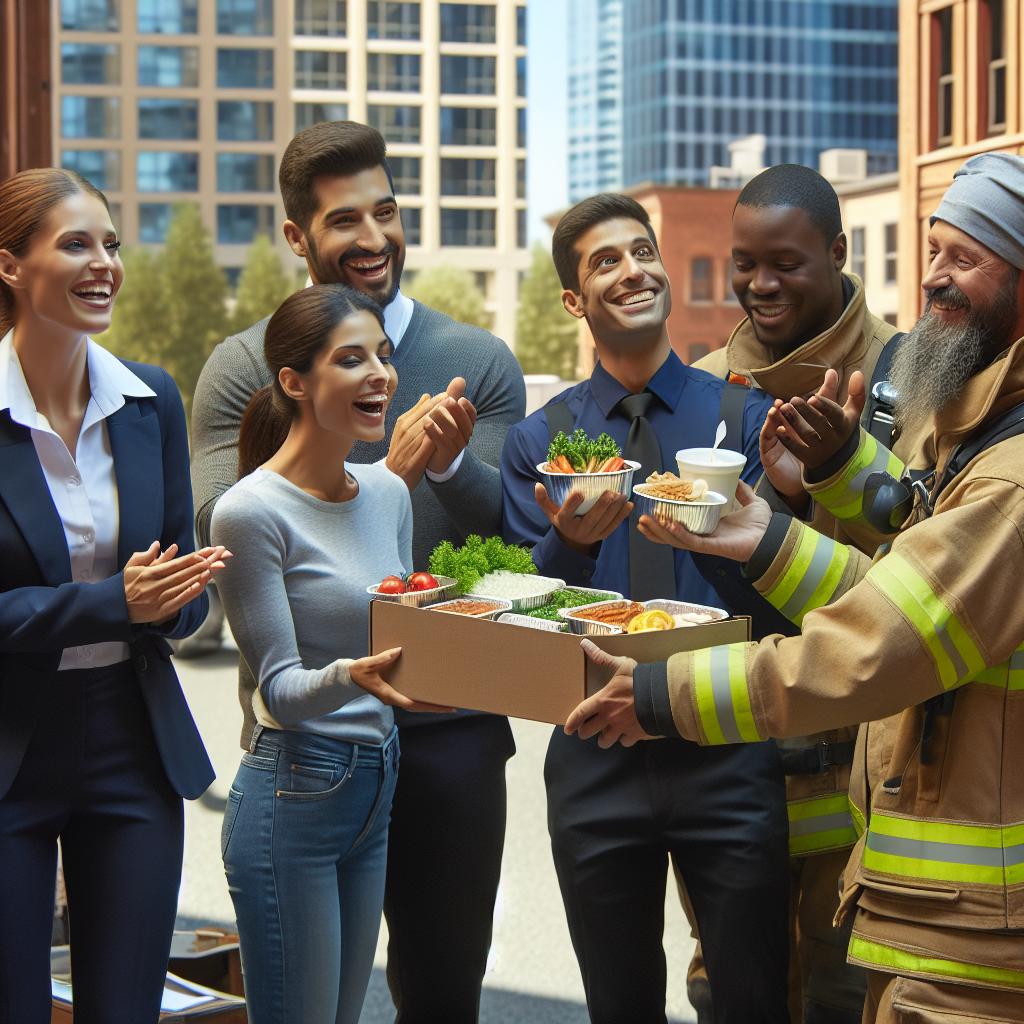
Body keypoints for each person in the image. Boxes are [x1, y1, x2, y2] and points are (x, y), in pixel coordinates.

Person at [567, 152, 1024, 1023]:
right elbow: (901, 576)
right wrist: (771, 529)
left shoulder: (956, 412)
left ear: (839, 254)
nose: (935, 276)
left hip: (959, 912)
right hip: (827, 828)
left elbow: (888, 635)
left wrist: (664, 692)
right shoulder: (720, 389)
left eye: (965, 258)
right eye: (933, 251)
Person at [190, 120, 525, 1023]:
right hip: (315, 742)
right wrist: (383, 472)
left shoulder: (476, 362)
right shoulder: (240, 367)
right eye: (346, 221)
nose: (373, 239)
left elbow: (509, 538)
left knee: (444, 992)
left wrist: (444, 469)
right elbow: (224, 537)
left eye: (386, 212)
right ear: (299, 238)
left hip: (452, 733)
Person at [500, 193, 790, 1024]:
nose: (633, 271)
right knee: (618, 1007)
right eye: (605, 261)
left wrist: (756, 525)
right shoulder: (542, 442)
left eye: (642, 252)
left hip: (723, 742)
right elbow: (527, 616)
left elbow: (778, 605)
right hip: (594, 755)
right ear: (573, 300)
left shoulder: (743, 416)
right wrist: (570, 548)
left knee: (754, 1002)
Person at [0, 167, 224, 1024]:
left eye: (112, 245)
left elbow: (183, 600)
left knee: (127, 1009)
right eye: (76, 244)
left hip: (131, 741)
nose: (105, 264)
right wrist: (113, 604)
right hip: (10, 747)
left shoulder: (152, 398)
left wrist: (172, 602)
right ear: (12, 267)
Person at [683, 164, 905, 1024]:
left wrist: (823, 488)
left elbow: (929, 569)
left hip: (856, 772)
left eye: (785, 263)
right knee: (726, 991)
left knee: (845, 992)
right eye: (745, 263)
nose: (759, 285)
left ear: (839, 253)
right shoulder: (706, 386)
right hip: (727, 760)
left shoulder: (909, 375)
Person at [212, 284, 451, 1024]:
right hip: (293, 793)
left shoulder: (388, 493)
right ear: (294, 381)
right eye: (352, 359)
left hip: (375, 784)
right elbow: (276, 691)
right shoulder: (249, 512)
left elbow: (403, 624)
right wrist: (357, 676)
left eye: (383, 355)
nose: (379, 374)